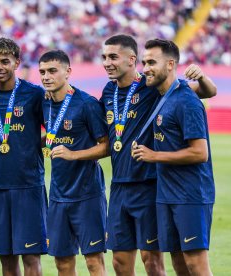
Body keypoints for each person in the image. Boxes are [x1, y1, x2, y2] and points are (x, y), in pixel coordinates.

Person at [100, 34, 217, 275]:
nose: (107, 63)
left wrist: (202, 77)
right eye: (104, 57)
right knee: (123, 263)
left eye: (113, 57)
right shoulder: (108, 92)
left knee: (157, 261)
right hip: (123, 185)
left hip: (151, 185)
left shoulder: (155, 87)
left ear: (130, 60)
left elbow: (206, 92)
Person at [132, 38, 215, 276]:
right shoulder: (158, 95)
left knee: (196, 265)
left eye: (152, 62)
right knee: (178, 263)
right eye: (144, 62)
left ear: (170, 65)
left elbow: (200, 152)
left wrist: (154, 156)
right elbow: (209, 90)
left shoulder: (186, 100)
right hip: (166, 193)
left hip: (191, 194)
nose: (146, 68)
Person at [0, 37, 47, 276]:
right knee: (6, 260)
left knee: (31, 257)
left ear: (16, 62)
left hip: (28, 184)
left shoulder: (35, 94)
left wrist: (32, 145)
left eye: (4, 62)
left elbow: (52, 131)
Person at [39, 50, 109, 275]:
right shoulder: (45, 102)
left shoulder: (86, 103)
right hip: (58, 195)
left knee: (93, 261)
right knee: (63, 262)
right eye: (42, 72)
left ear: (68, 72)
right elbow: (53, 133)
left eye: (52, 71)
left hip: (87, 193)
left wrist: (73, 154)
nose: (46, 77)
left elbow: (106, 146)